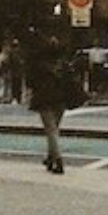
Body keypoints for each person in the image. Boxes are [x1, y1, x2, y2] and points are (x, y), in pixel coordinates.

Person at [27, 32, 75, 174]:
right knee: (54, 130)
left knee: (51, 130)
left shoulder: (38, 64)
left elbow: (31, 82)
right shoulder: (63, 63)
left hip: (44, 98)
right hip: (61, 98)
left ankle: (58, 160)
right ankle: (50, 157)